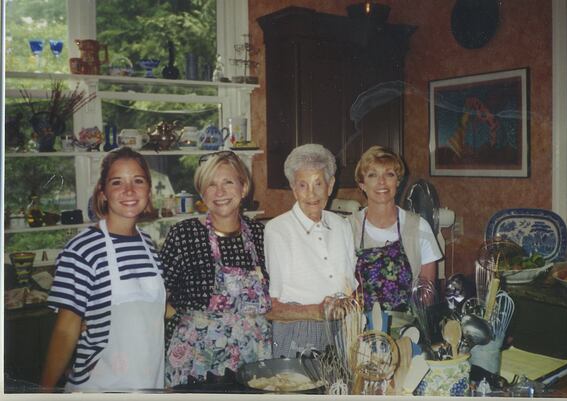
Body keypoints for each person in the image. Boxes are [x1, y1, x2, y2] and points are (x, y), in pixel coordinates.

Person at [40, 147, 165, 392]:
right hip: (99, 388)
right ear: (103, 192)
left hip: (150, 386)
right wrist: (43, 392)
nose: (129, 190)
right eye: (117, 182)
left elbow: (152, 312)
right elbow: (66, 330)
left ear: (148, 190)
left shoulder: (148, 245)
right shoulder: (83, 248)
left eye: (138, 181)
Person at [161, 151, 271, 387]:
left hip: (253, 353)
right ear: (202, 193)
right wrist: (185, 322)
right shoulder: (184, 234)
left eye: (228, 182)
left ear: (243, 188)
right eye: (211, 184)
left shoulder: (261, 235)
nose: (219, 192)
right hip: (198, 357)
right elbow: (156, 294)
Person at [264, 143, 357, 358]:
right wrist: (317, 312)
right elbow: (272, 304)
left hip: (342, 328)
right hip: (299, 328)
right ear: (293, 188)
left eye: (318, 183)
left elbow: (350, 283)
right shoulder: (278, 230)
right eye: (303, 185)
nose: (311, 194)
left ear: (330, 185)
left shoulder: (342, 225)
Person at [349, 145, 442, 318]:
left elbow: (427, 292)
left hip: (408, 330)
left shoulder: (419, 226)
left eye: (389, 174)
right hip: (360, 329)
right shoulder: (347, 228)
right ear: (362, 184)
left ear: (398, 182)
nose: (382, 182)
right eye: (372, 175)